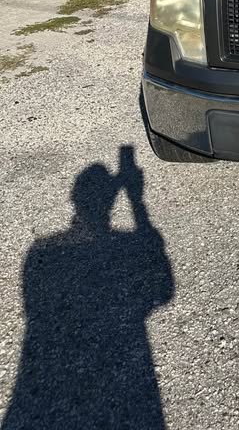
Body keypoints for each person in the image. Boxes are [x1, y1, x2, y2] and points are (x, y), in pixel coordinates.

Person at [2, 148, 174, 430]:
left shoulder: (40, 253)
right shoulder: (127, 246)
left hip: (45, 379)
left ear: (74, 200)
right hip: (127, 373)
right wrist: (137, 202)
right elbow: (164, 289)